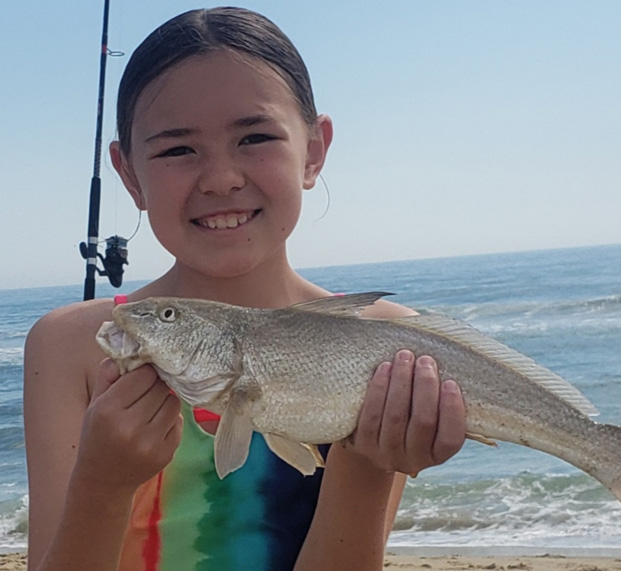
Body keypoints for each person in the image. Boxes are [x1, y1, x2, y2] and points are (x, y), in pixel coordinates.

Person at [23, 7, 466, 571]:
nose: (222, 178)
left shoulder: (383, 341)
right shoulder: (71, 345)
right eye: (178, 149)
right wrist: (103, 484)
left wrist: (369, 466)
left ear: (313, 149)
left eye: (254, 137)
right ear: (129, 173)